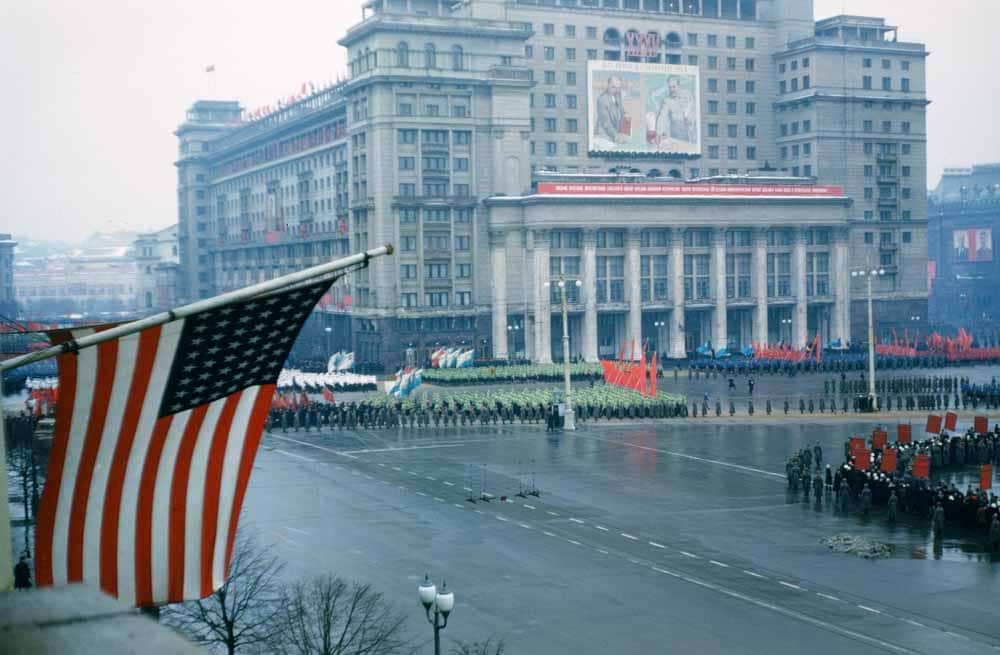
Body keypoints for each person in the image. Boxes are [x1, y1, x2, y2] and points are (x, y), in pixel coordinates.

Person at [595, 75, 626, 145]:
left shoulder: (618, 95)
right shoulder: (602, 100)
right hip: (603, 136)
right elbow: (606, 123)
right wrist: (616, 137)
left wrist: (625, 115)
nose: (616, 90)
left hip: (616, 133)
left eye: (618, 88)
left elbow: (621, 110)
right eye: (613, 87)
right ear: (608, 85)